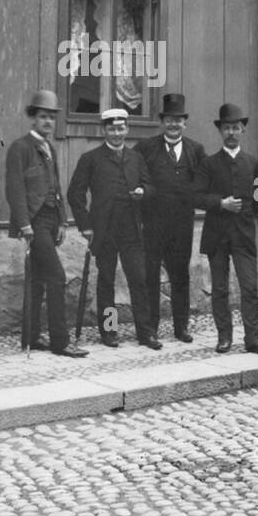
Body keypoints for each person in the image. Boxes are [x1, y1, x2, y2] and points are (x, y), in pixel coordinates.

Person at [67, 108, 160, 348]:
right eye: (111, 128)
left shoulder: (136, 159)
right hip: (104, 230)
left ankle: (145, 333)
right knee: (106, 281)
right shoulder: (91, 159)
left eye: (121, 128)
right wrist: (86, 227)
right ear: (104, 130)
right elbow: (75, 194)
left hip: (131, 229)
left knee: (139, 280)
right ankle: (109, 331)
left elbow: (151, 188)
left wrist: (143, 192)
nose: (117, 133)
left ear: (127, 129)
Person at [5, 90, 86, 357]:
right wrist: (24, 225)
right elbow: (14, 189)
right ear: (33, 118)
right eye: (43, 117)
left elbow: (57, 187)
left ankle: (31, 336)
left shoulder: (50, 148)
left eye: (52, 118)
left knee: (39, 280)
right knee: (56, 277)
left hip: (51, 221)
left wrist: (62, 221)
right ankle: (61, 342)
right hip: (35, 222)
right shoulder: (20, 147)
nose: (48, 122)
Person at [193, 103, 258, 355]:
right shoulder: (208, 164)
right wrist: (221, 203)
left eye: (235, 128)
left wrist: (248, 213)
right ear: (220, 131)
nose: (231, 132)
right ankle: (224, 337)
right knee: (220, 289)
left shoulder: (254, 164)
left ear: (243, 130)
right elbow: (196, 196)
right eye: (226, 128)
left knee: (249, 287)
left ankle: (253, 339)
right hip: (217, 235)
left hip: (244, 235)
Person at [136, 93, 207, 342]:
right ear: (162, 121)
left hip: (182, 226)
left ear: (184, 123)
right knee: (151, 274)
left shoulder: (196, 150)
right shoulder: (146, 149)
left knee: (180, 275)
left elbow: (203, 182)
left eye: (178, 120)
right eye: (169, 119)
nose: (174, 124)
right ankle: (151, 328)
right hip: (154, 224)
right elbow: (137, 177)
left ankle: (181, 327)